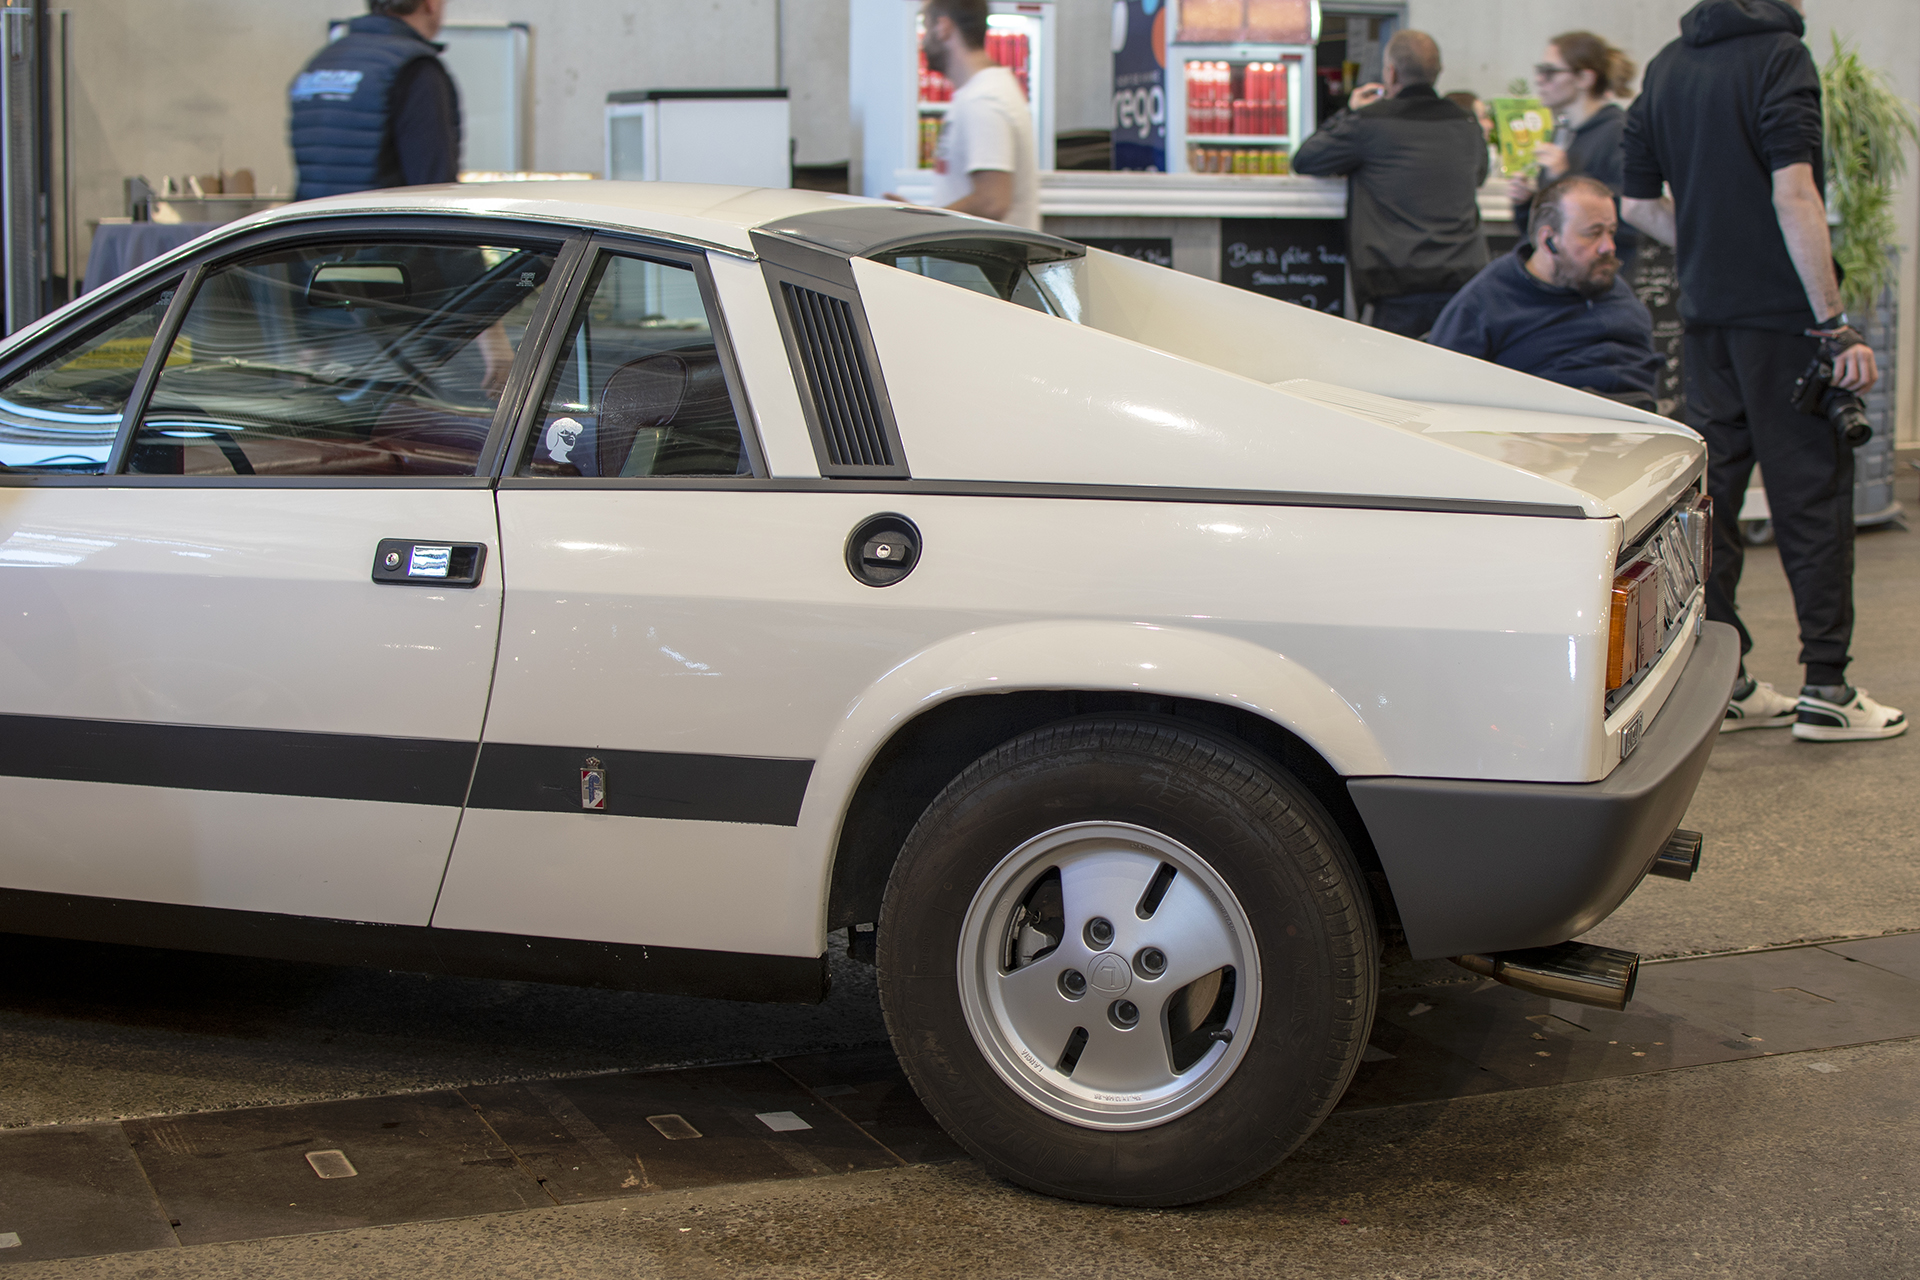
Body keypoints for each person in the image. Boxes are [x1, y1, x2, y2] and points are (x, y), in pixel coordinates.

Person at [1623, 0, 1904, 741]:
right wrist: (1835, 322)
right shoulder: (1781, 55)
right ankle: (1828, 690)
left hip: (1707, 318)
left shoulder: (1666, 66)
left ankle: (1733, 677)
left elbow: (1636, 203)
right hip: (1784, 321)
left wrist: (1713, 251)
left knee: (1716, 503)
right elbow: (1795, 190)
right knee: (1811, 498)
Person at [1293, 31, 1488, 338]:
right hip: (1464, 279)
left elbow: (1306, 159)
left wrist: (1350, 111)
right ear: (1438, 72)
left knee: (1397, 382)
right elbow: (1478, 175)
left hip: (1398, 283)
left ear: (1391, 72)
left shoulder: (1369, 123)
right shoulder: (1466, 123)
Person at [1428, 175, 1661, 408]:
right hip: (1537, 427)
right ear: (1549, 239)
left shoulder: (1614, 292)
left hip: (1633, 423)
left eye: (1611, 232)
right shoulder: (1489, 299)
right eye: (1593, 233)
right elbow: (1439, 388)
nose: (1608, 247)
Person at [886, 0, 1039, 229]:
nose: (924, 41)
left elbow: (992, 201)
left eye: (927, 28)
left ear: (943, 27)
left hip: (987, 264)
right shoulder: (979, 93)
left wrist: (923, 222)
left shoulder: (984, 99)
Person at [289, 0, 459, 202]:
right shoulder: (416, 69)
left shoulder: (321, 62)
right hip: (381, 229)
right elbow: (434, 189)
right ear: (430, 4)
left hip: (318, 229)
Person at [1508, 31, 1641, 273]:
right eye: (1539, 71)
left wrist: (1565, 177)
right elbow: (1546, 226)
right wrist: (1526, 201)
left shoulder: (1617, 133)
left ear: (1584, 79)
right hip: (1558, 278)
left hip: (1598, 280)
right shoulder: (1563, 133)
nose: (1539, 80)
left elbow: (1629, 220)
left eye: (1550, 72)